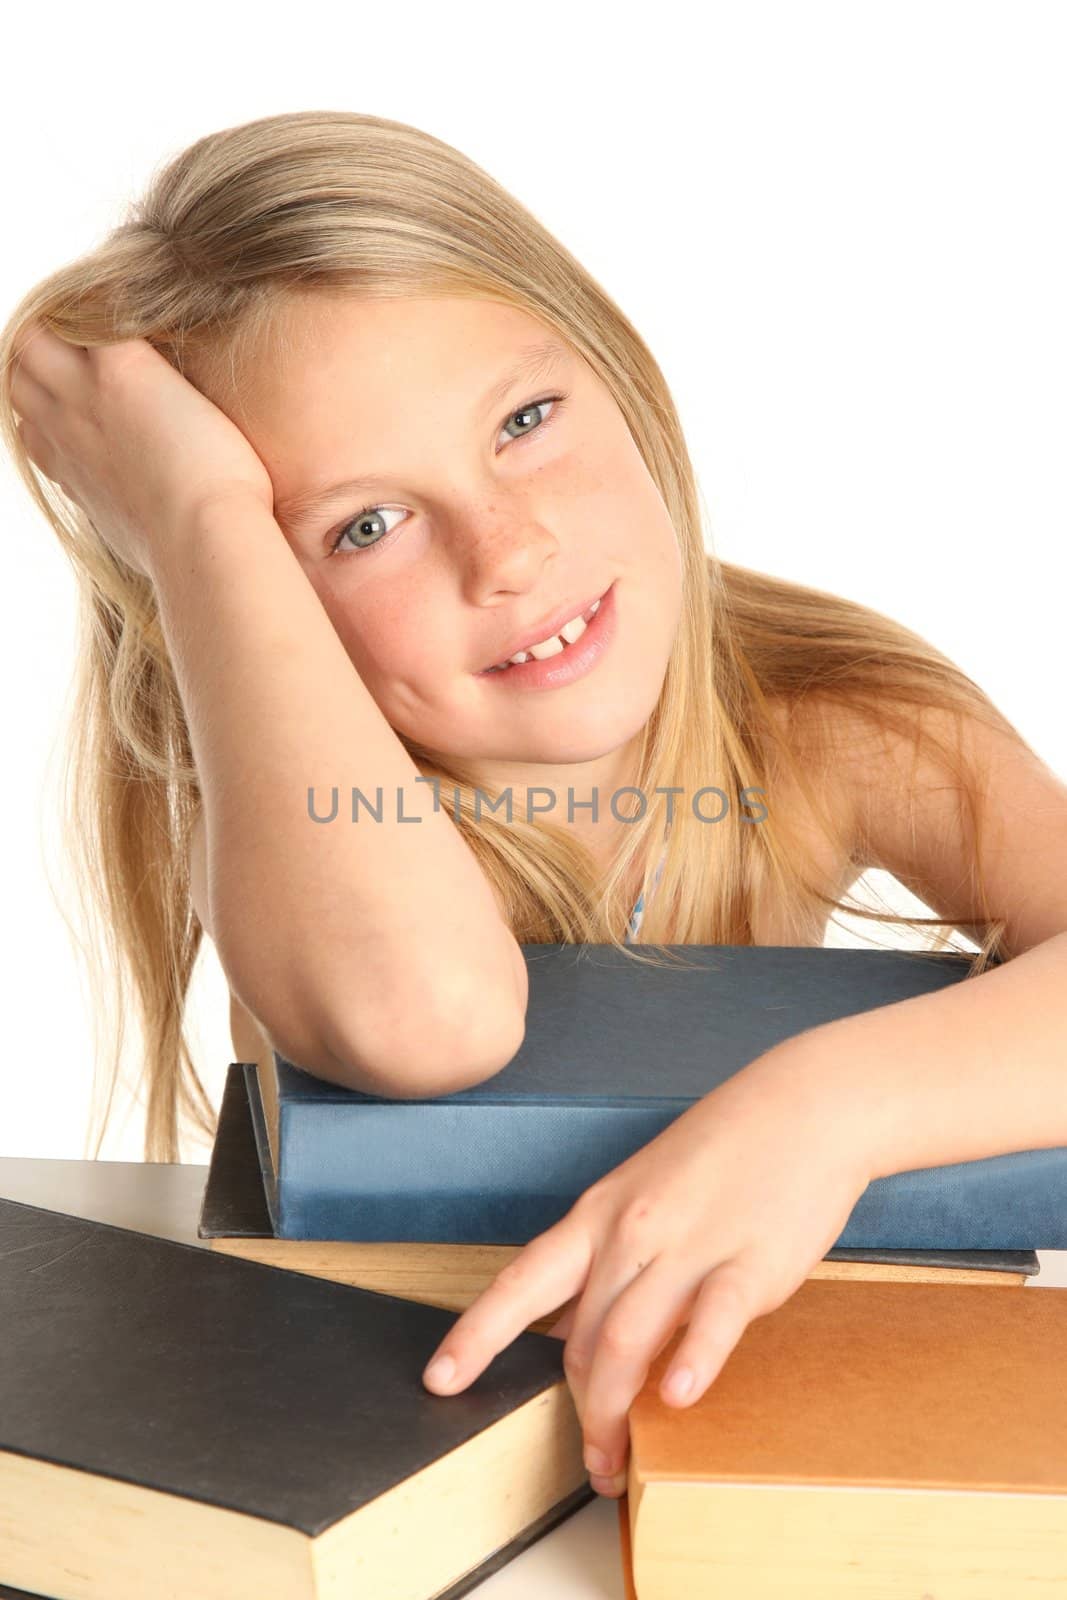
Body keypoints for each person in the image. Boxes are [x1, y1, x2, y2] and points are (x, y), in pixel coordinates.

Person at [4, 110, 1067, 1501]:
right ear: (250, 611)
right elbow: (426, 1018)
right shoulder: (314, 807)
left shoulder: (833, 713)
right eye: (364, 526)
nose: (509, 553)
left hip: (752, 1440)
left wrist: (818, 1113)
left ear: (615, 364)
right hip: (392, 1473)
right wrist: (196, 516)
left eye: (525, 419)